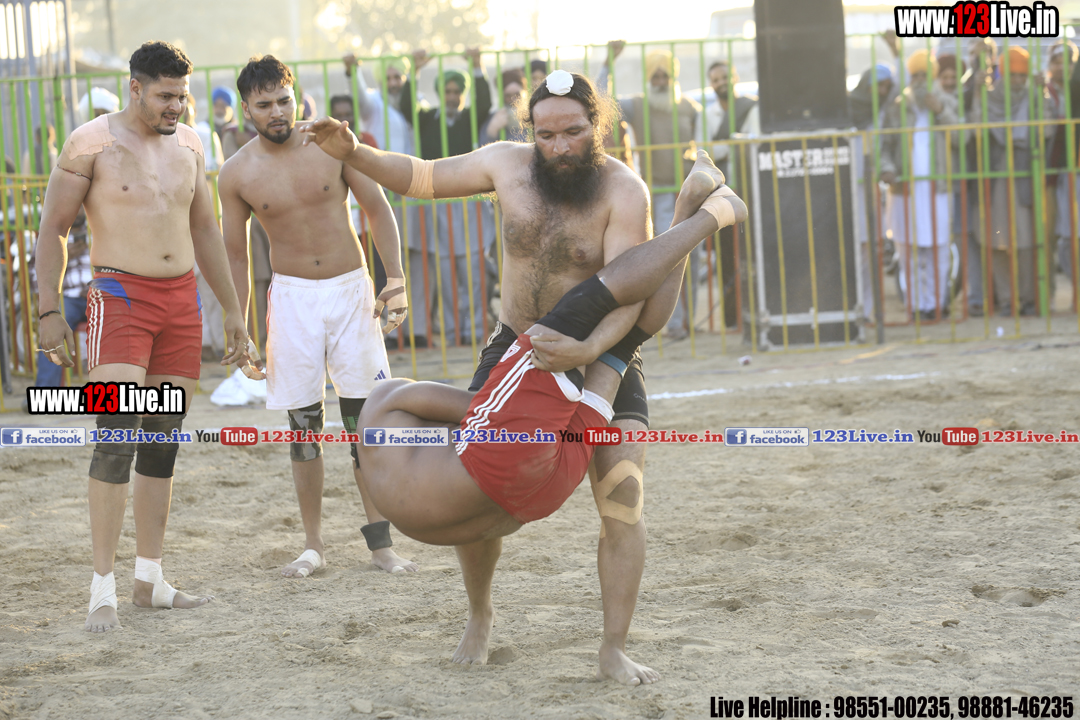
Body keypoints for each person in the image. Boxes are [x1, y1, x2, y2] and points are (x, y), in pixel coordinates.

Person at [299, 69, 733, 684]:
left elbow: (630, 293)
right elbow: (421, 176)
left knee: (623, 501)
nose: (559, 147)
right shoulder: (506, 164)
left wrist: (592, 345)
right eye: (546, 134)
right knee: (475, 470)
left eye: (573, 132)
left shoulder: (622, 190)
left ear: (597, 125)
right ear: (531, 130)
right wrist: (355, 152)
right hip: (513, 350)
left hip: (602, 347)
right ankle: (480, 614)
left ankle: (613, 647)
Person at [35, 41, 249, 633]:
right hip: (119, 298)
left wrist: (233, 310)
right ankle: (101, 587)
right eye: (164, 96)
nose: (176, 106)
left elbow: (205, 228)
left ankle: (149, 580)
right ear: (135, 88)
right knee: (116, 437)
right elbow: (53, 228)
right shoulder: (89, 142)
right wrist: (48, 309)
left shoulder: (191, 143)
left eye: (182, 95)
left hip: (180, 302)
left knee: (161, 442)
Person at [218, 55, 416, 577]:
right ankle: (313, 547)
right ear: (246, 109)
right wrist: (238, 320)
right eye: (265, 105)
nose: (277, 112)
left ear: (295, 96)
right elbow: (235, 254)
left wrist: (396, 279)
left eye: (284, 100)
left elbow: (378, 208)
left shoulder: (332, 142)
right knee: (303, 426)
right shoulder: (236, 172)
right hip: (292, 301)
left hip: (352, 292)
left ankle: (381, 546)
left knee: (363, 423)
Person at [598, 43, 702, 339]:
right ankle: (674, 325)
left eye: (664, 76)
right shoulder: (638, 105)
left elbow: (704, 147)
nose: (660, 81)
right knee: (669, 257)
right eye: (655, 76)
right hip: (657, 192)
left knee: (692, 258)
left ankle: (688, 323)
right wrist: (608, 64)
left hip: (689, 191)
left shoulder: (690, 108)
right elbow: (603, 102)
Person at [401, 48, 494, 346]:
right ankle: (453, 335)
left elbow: (485, 102)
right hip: (437, 201)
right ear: (441, 93)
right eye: (448, 91)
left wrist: (477, 66)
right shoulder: (428, 119)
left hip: (468, 201)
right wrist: (415, 70)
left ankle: (475, 332)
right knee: (445, 272)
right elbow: (406, 106)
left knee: (473, 270)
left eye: (457, 92)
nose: (452, 97)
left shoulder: (469, 119)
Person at [880, 50, 956, 321]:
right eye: (916, 75)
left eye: (926, 75)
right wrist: (887, 168)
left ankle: (935, 305)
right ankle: (915, 306)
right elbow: (884, 147)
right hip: (905, 191)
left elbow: (964, 138)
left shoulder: (947, 102)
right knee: (909, 252)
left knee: (938, 250)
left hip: (938, 190)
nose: (921, 80)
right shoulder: (898, 107)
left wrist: (941, 112)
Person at [701, 60, 759, 329]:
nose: (721, 82)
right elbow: (705, 153)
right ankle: (732, 319)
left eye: (725, 77)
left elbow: (753, 144)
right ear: (711, 84)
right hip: (721, 195)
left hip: (750, 191)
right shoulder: (707, 115)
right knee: (726, 256)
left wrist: (724, 147)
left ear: (734, 77)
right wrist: (732, 144)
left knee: (754, 252)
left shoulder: (751, 107)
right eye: (715, 79)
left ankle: (755, 312)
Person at [986, 46, 1036, 316]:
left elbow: (1047, 129)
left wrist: (1042, 94)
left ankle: (1028, 299)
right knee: (999, 242)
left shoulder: (1033, 97)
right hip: (996, 176)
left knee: (1026, 242)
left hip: (1026, 173)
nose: (1017, 81)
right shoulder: (989, 98)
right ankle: (1006, 299)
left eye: (1021, 76)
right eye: (1012, 75)